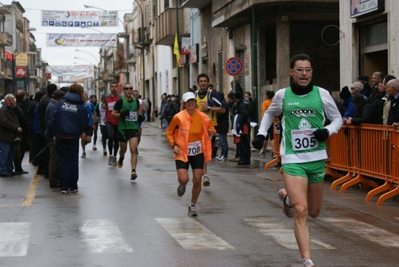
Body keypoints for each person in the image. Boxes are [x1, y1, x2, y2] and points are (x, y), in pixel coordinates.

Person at [252, 54, 343, 267]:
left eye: (308, 70)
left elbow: (337, 118)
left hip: (316, 158)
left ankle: (286, 198)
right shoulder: (283, 95)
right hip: (292, 158)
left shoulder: (322, 94)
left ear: (312, 72)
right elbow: (268, 115)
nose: (304, 74)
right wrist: (261, 133)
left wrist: (327, 131)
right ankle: (307, 260)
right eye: (300, 70)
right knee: (300, 210)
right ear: (291, 72)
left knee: (313, 211)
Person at [165, 92, 216, 217]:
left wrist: (212, 132)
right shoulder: (178, 117)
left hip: (197, 151)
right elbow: (169, 132)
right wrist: (173, 145)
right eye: (188, 101)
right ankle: (182, 184)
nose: (191, 103)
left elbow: (213, 129)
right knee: (184, 179)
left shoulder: (203, 117)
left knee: (197, 180)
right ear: (184, 103)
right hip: (182, 151)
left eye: (193, 100)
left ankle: (192, 205)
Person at [51, 84, 88, 194]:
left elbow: (55, 118)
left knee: (63, 160)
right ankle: (73, 186)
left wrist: (55, 133)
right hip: (73, 136)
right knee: (73, 160)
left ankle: (63, 186)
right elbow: (84, 121)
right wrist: (81, 131)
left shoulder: (61, 103)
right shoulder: (80, 105)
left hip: (61, 135)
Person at [195, 74, 225, 187]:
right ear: (198, 82)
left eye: (205, 81)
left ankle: (205, 174)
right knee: (198, 151)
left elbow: (222, 109)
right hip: (196, 127)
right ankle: (202, 173)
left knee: (203, 151)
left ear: (208, 83)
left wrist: (209, 108)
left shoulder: (212, 94)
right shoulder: (195, 94)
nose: (203, 83)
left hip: (208, 128)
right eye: (201, 81)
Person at [111, 83, 144, 180]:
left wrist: (139, 116)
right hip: (123, 130)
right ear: (123, 91)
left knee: (133, 149)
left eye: (130, 88)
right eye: (126, 89)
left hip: (133, 128)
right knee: (123, 150)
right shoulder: (120, 101)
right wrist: (121, 114)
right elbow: (113, 114)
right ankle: (121, 157)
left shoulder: (136, 101)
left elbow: (138, 110)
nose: (129, 90)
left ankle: (133, 171)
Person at [45, 89, 65, 188]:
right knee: (54, 158)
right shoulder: (53, 106)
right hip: (52, 136)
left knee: (54, 157)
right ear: (60, 98)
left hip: (52, 134)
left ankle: (54, 178)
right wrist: (54, 135)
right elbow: (50, 123)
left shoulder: (52, 104)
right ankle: (53, 180)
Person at [0, 94, 23, 177]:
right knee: (4, 154)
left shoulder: (13, 109)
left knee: (11, 154)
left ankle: (10, 169)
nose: (11, 102)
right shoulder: (2, 110)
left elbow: (21, 115)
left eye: (13, 100)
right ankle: (2, 170)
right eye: (9, 100)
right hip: (5, 136)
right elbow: (4, 122)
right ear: (5, 100)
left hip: (13, 136)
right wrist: (16, 128)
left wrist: (15, 106)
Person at [103, 81, 121, 166]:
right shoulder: (106, 97)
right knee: (110, 137)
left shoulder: (120, 98)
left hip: (118, 121)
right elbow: (104, 105)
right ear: (110, 88)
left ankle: (114, 156)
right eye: (112, 87)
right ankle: (110, 155)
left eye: (115, 86)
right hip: (109, 121)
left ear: (117, 88)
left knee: (116, 139)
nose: (114, 88)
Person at [232, 91, 251, 165]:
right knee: (244, 143)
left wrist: (240, 122)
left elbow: (244, 115)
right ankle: (244, 158)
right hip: (243, 125)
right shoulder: (242, 103)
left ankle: (245, 159)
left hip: (243, 126)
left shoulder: (241, 105)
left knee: (244, 143)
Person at [14, 90, 29, 175]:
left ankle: (18, 167)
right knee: (20, 150)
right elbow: (23, 118)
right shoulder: (21, 106)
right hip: (22, 130)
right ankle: (18, 168)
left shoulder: (17, 105)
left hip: (19, 129)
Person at [259, 90, 275, 157]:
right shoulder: (274, 103)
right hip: (274, 121)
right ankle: (274, 152)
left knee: (265, 137)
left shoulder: (265, 103)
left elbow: (264, 114)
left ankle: (263, 150)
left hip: (267, 121)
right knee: (273, 137)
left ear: (267, 96)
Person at [214, 91, 229, 161]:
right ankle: (222, 154)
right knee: (221, 140)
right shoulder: (222, 103)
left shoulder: (223, 104)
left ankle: (224, 155)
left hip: (222, 125)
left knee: (223, 141)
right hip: (221, 125)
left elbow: (220, 114)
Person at [80, 93, 96, 158]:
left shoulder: (90, 105)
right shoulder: (80, 105)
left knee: (88, 140)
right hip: (82, 125)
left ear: (87, 98)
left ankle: (86, 141)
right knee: (83, 138)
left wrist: (93, 122)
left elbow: (94, 113)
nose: (83, 98)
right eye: (82, 97)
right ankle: (83, 152)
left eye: (85, 97)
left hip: (89, 124)